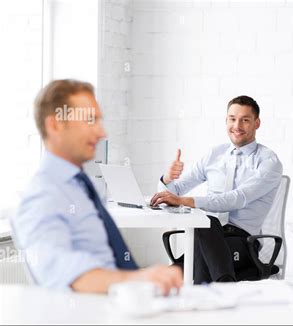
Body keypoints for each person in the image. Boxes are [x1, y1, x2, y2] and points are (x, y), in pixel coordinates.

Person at [13, 79, 182, 294]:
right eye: (90, 120)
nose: (102, 133)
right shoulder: (42, 195)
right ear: (55, 125)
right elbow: (68, 274)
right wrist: (139, 279)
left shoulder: (82, 186)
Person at [150, 95, 283, 284]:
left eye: (245, 120)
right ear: (226, 120)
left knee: (203, 229)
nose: (237, 125)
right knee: (171, 274)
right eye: (232, 119)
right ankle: (223, 287)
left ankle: (220, 290)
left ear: (257, 123)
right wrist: (168, 178)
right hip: (206, 237)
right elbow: (176, 191)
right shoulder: (215, 154)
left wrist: (184, 201)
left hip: (243, 242)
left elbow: (237, 198)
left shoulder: (268, 161)